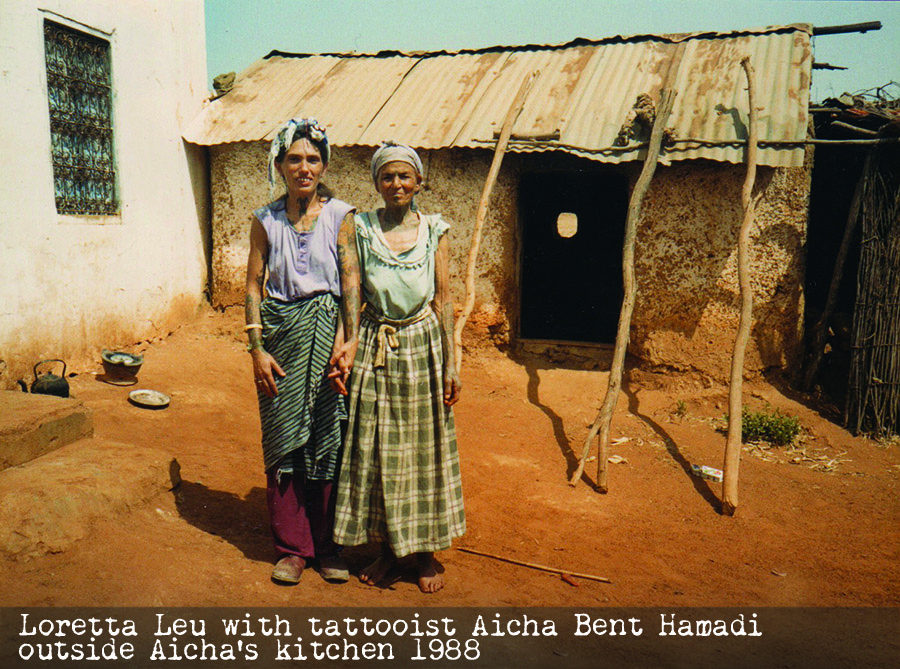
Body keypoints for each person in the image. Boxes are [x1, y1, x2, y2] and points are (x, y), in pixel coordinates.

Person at [330, 141, 465, 594]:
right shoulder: (358, 227)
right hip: (375, 342)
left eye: (404, 176)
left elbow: (444, 299)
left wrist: (451, 362)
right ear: (376, 183)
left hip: (423, 345)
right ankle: (388, 548)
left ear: (418, 181)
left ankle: (423, 553)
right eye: (387, 177)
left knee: (424, 449)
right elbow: (351, 293)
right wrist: (347, 346)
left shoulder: (435, 230)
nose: (396, 184)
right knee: (378, 446)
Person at [245, 117, 353, 585]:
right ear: (280, 164)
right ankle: (292, 549)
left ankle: (326, 546)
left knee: (328, 438)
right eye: (294, 159)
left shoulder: (341, 216)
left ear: (324, 164)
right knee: (283, 442)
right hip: (281, 339)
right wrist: (256, 349)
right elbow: (251, 283)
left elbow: (351, 284)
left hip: (329, 338)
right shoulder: (264, 220)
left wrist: (346, 341)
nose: (303, 167)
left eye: (312, 159)